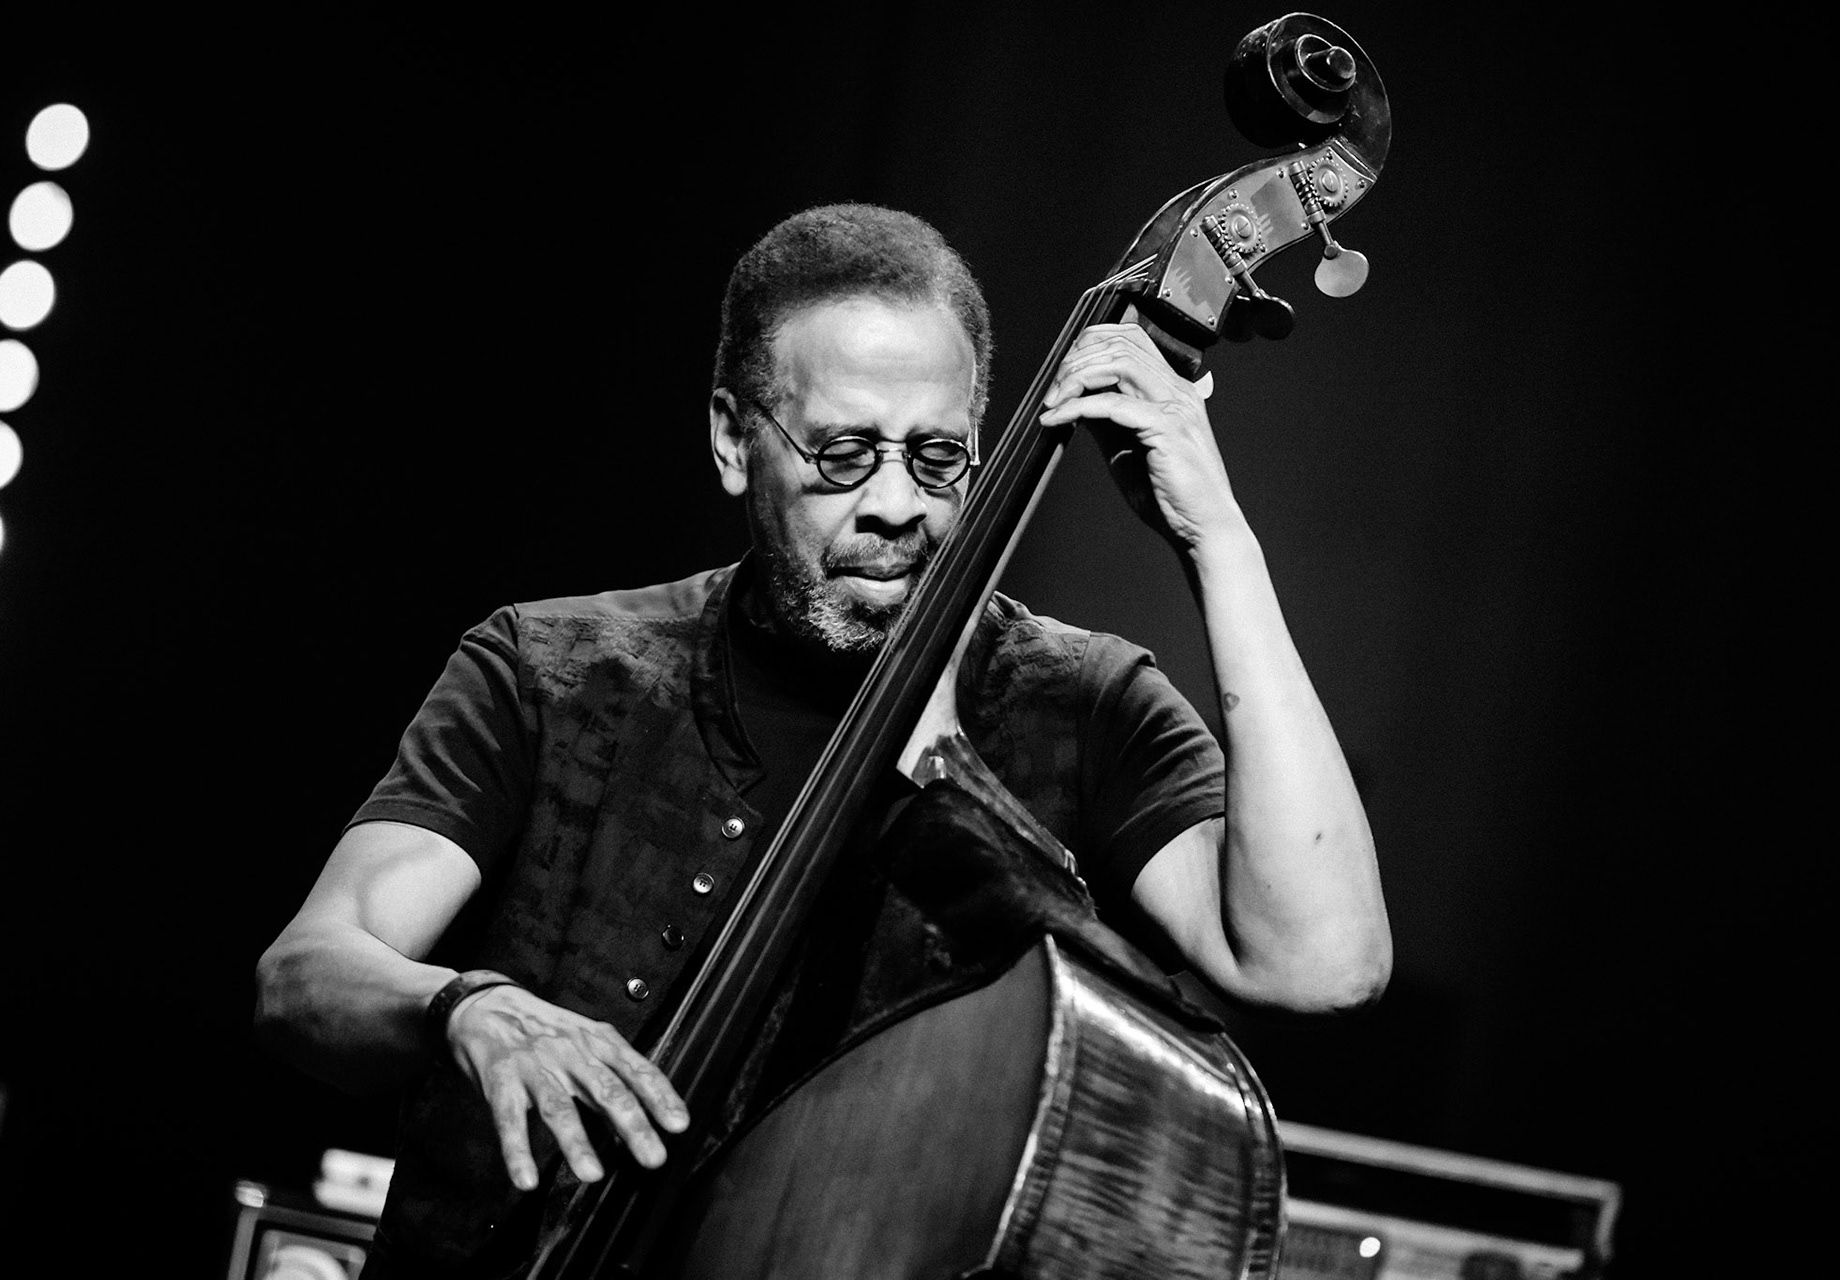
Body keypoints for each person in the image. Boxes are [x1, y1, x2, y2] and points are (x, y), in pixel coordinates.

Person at [255, 203, 1391, 1276]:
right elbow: (308, 972)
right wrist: (464, 1007)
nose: (898, 503)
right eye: (844, 453)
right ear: (732, 440)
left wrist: (1217, 537)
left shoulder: (1083, 702)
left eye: (940, 456)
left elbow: (1319, 961)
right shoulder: (549, 671)